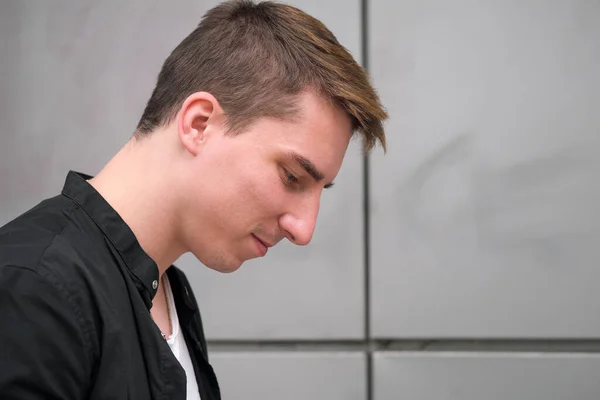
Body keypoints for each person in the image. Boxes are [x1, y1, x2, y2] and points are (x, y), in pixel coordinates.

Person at [0, 0, 388, 399]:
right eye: (292, 176)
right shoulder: (32, 289)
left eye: (319, 190)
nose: (304, 229)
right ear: (199, 124)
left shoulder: (168, 292)